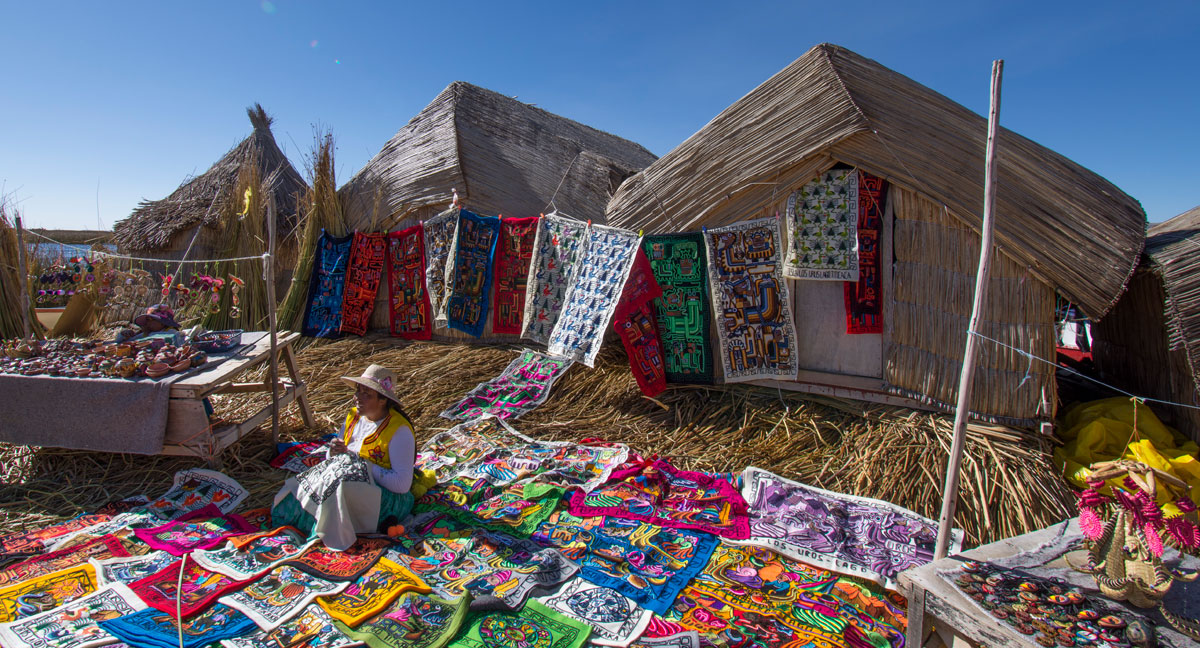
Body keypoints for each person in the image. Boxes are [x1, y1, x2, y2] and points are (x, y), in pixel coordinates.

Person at [272, 364, 418, 550]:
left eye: (367, 394)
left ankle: (328, 531)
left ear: (383, 400)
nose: (357, 398)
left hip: (387, 499)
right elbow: (337, 458)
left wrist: (363, 464)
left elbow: (402, 484)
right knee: (313, 480)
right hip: (352, 482)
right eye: (358, 391)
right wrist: (332, 452)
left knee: (338, 485)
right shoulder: (354, 417)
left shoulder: (399, 430)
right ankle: (300, 519)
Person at [115, 304, 184, 345]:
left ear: (163, 323)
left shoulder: (171, 332)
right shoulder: (146, 333)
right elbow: (124, 342)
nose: (148, 323)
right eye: (147, 320)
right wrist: (123, 335)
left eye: (152, 320)